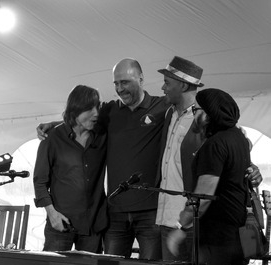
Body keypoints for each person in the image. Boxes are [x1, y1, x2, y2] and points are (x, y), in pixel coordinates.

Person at [36, 58, 169, 260]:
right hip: (111, 214)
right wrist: (54, 125)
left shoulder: (162, 106)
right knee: (108, 263)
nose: (119, 88)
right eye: (116, 83)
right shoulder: (110, 111)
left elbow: (189, 103)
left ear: (141, 79)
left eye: (125, 82)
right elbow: (81, 117)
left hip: (145, 212)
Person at [155, 56, 263, 262]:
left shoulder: (213, 139)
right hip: (224, 228)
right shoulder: (168, 114)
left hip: (209, 229)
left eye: (167, 82)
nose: (162, 87)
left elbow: (204, 193)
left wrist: (182, 225)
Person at [167, 88, 253, 265]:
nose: (193, 115)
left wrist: (180, 227)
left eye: (195, 110)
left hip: (217, 239)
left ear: (208, 115)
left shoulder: (214, 145)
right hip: (236, 233)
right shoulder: (239, 139)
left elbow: (203, 196)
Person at [33, 85, 108, 252]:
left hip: (93, 225)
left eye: (97, 106)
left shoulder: (103, 135)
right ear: (76, 109)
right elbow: (40, 182)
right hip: (60, 223)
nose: (96, 113)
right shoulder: (52, 138)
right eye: (90, 108)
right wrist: (52, 214)